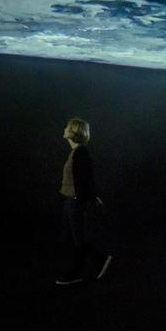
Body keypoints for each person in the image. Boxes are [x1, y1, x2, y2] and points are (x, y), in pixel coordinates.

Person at [55, 118, 112, 285]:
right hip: (71, 201)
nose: (64, 128)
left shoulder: (80, 152)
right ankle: (93, 264)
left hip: (75, 202)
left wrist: (90, 198)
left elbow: (87, 178)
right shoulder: (76, 152)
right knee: (75, 239)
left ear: (74, 132)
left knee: (78, 240)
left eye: (67, 126)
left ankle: (96, 262)